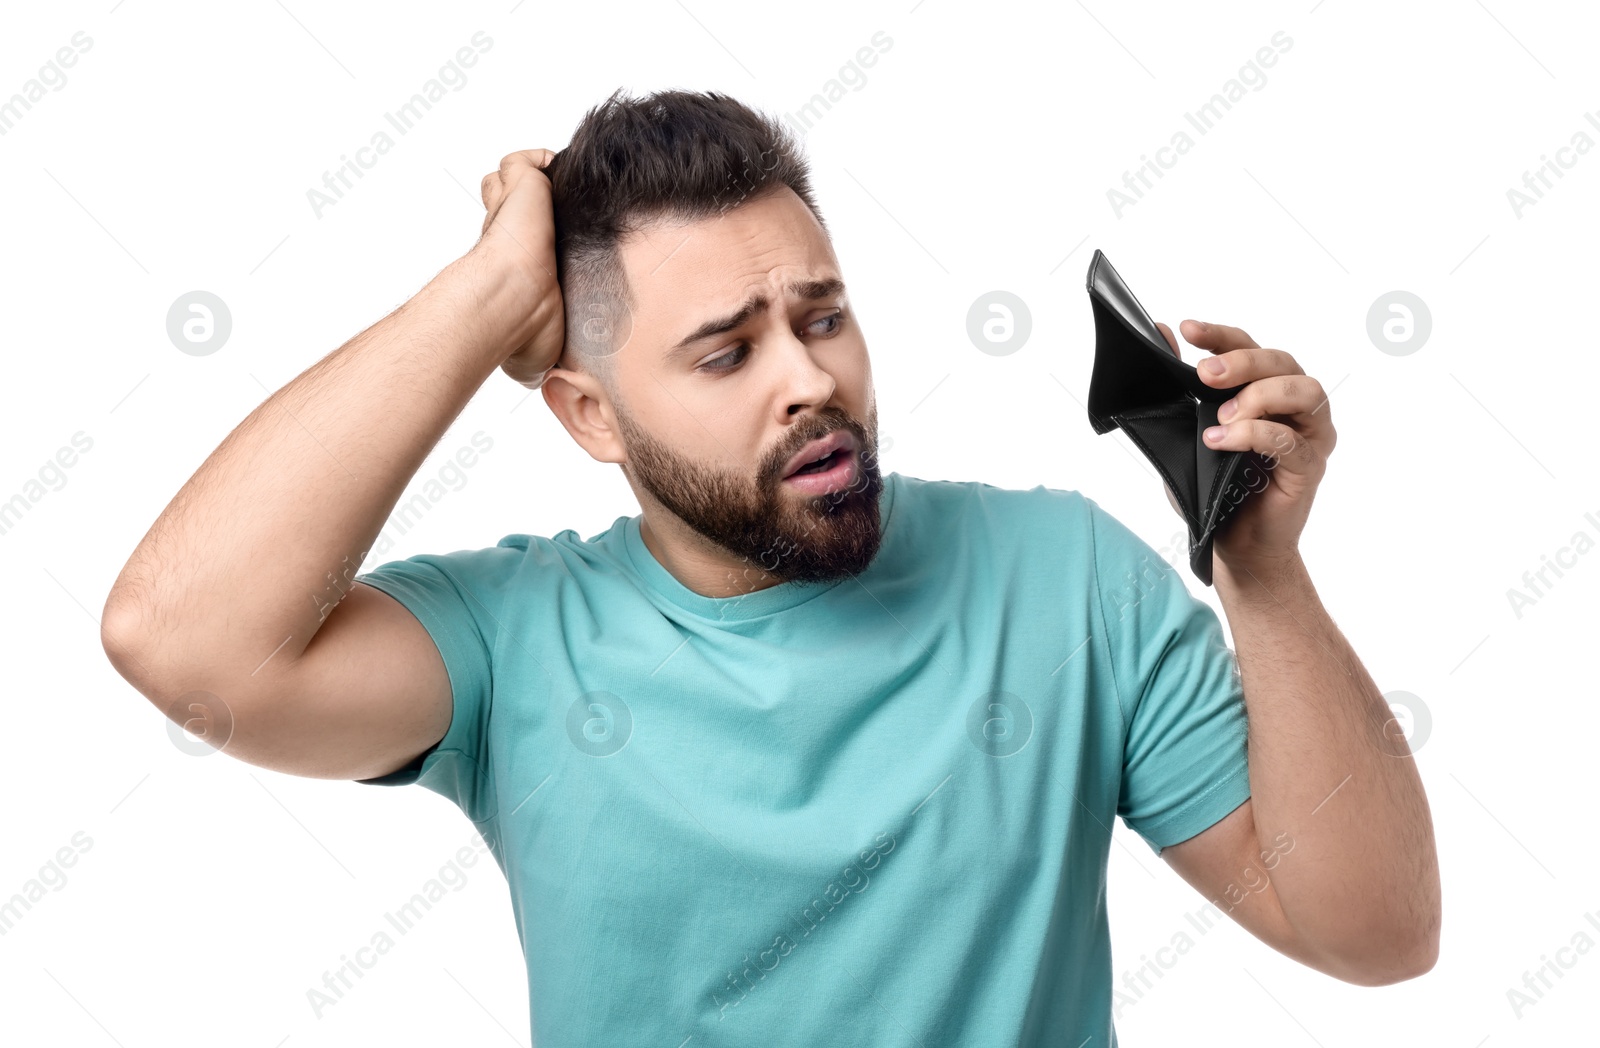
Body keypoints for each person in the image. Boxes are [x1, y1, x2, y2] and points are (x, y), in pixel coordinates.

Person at [101, 87, 1439, 1045]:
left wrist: (1260, 571)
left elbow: (1377, 935)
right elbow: (181, 640)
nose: (813, 379)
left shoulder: (1068, 583)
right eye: (727, 351)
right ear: (589, 415)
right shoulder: (516, 646)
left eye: (825, 315)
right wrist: (484, 297)